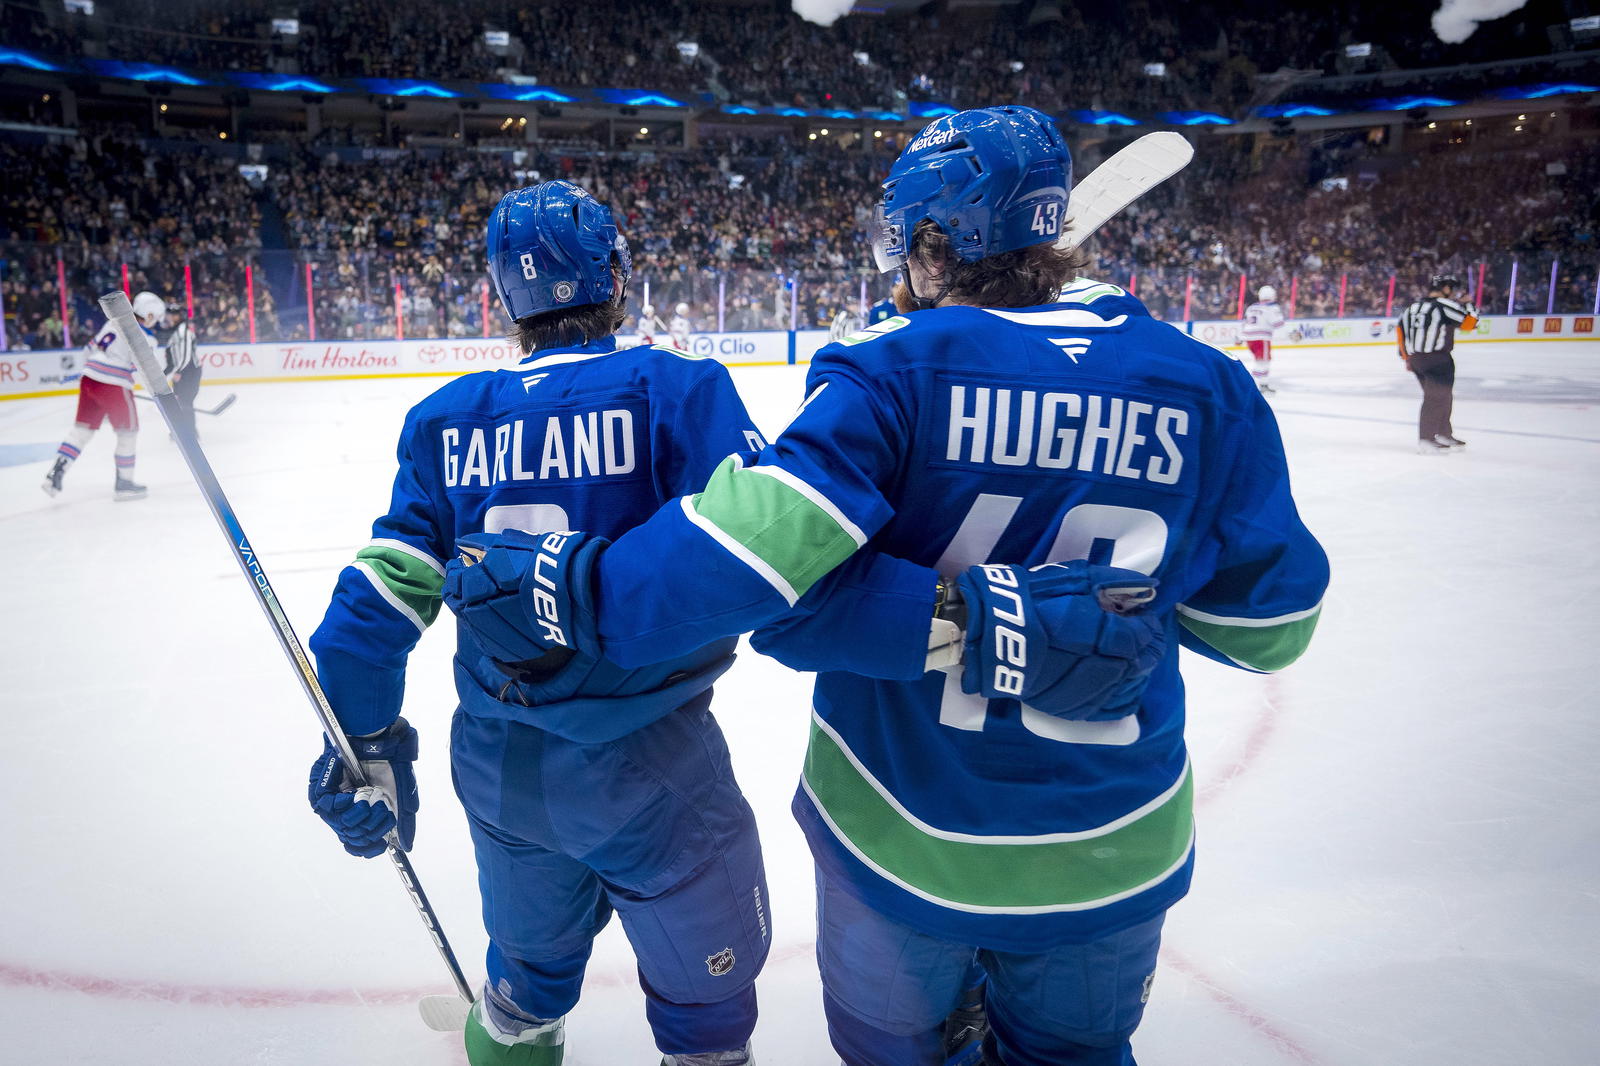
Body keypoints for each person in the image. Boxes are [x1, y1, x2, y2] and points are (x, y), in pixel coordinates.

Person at [442, 107, 1331, 1066]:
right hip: (1110, 845)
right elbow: (1270, 627)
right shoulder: (1206, 383)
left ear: (938, 245)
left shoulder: (889, 370)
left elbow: (775, 587)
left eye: (902, 245)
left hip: (898, 834)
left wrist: (570, 594)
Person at [304, 181, 776, 1066]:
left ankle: (516, 1027)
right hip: (653, 767)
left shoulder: (443, 420)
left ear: (503, 294)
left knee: (524, 988)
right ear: (617, 277)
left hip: (498, 771)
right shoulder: (676, 391)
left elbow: (366, 618)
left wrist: (363, 744)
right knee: (706, 1016)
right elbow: (767, 561)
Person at [41, 289, 167, 501]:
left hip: (90, 378)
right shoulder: (145, 337)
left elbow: (89, 350)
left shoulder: (111, 324)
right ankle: (124, 484)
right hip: (114, 384)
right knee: (128, 432)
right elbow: (142, 370)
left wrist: (93, 373)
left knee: (81, 431)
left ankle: (53, 476)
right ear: (151, 315)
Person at [1398, 274, 1478, 454]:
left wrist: (1407, 359)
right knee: (1436, 398)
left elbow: (1400, 332)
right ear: (1446, 288)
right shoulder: (1445, 305)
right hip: (1438, 359)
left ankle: (1443, 433)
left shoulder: (1413, 307)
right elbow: (1469, 325)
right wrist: (1469, 305)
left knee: (1441, 396)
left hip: (1416, 359)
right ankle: (1427, 438)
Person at [159, 306, 202, 442]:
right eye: (170, 315)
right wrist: (163, 374)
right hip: (183, 371)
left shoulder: (184, 332)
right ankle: (183, 430)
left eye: (174, 315)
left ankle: (190, 432)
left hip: (189, 372)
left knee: (185, 401)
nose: (171, 317)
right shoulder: (176, 332)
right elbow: (173, 359)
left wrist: (179, 372)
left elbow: (186, 356)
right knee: (180, 401)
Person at [1240, 284, 1285, 394]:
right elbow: (1277, 323)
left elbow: (1245, 323)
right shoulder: (1272, 307)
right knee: (1262, 362)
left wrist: (1239, 337)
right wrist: (1291, 333)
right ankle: (1254, 385)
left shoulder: (1252, 307)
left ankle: (1261, 384)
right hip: (1261, 338)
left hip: (1249, 338)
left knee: (1261, 361)